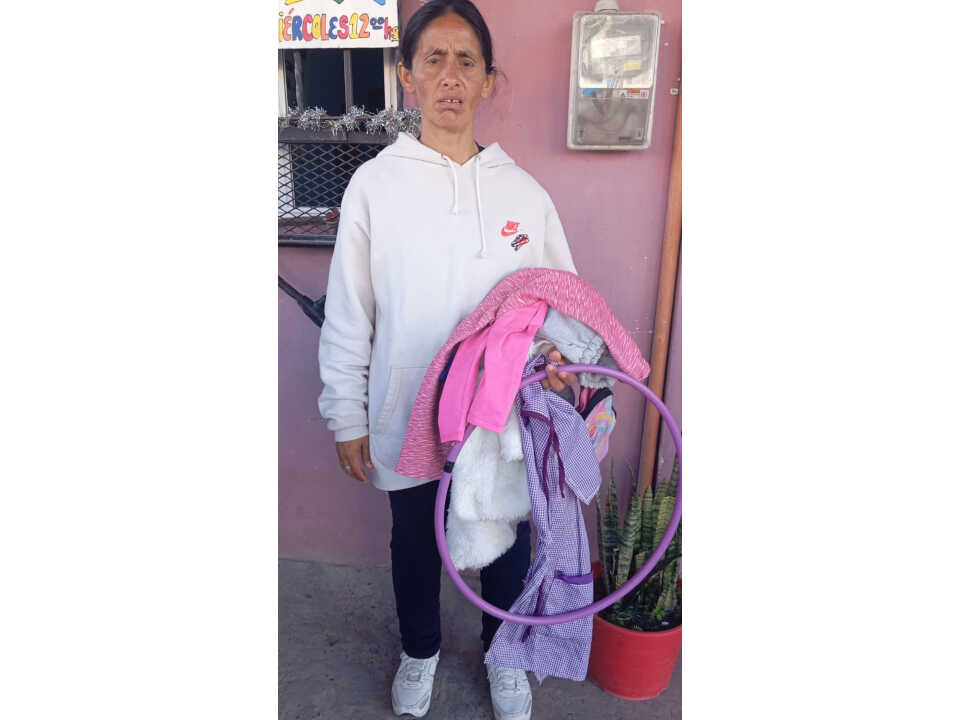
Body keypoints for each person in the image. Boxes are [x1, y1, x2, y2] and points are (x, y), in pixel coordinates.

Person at [317, 2, 578, 718]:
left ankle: (504, 656)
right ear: (407, 76)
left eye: (468, 61)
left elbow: (557, 300)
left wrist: (558, 358)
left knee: (506, 536)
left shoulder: (523, 192)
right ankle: (421, 651)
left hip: (501, 416)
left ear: (489, 79)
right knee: (415, 539)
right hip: (407, 409)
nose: (451, 76)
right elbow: (351, 310)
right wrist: (345, 413)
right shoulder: (375, 186)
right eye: (433, 59)